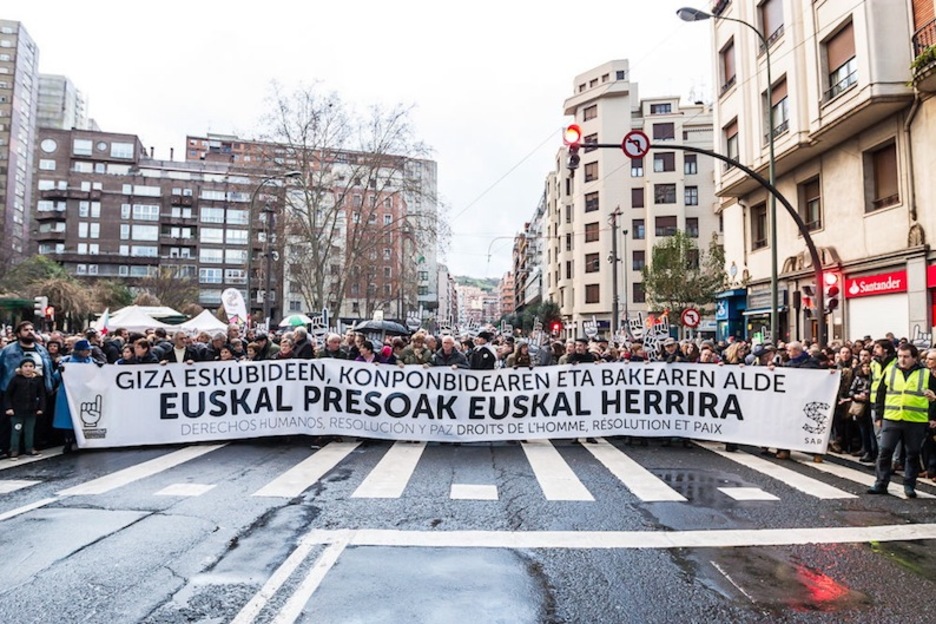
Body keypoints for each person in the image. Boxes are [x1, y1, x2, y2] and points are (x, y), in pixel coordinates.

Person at [868, 343, 936, 498]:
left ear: (914, 358)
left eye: (906, 357)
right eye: (900, 356)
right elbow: (881, 394)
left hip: (916, 420)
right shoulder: (890, 371)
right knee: (885, 451)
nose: (902, 360)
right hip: (892, 418)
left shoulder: (925, 374)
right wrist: (879, 415)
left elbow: (934, 396)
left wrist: (932, 414)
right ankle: (880, 483)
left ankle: (909, 486)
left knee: (912, 454)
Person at [0, 321, 55, 457]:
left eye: (32, 329)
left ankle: (30, 446)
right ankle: (10, 448)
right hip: (15, 391)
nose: (30, 332)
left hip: (37, 390)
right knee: (12, 422)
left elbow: (48, 369)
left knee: (34, 421)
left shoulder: (41, 349)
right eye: (26, 330)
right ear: (18, 334)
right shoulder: (8, 350)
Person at [4, 358, 46, 459]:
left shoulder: (37, 380)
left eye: (31, 366)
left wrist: (41, 408)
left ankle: (29, 448)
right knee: (16, 430)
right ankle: (14, 450)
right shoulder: (16, 379)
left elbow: (41, 395)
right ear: (21, 368)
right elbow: (8, 394)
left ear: (34, 368)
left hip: (31, 410)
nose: (28, 369)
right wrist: (9, 407)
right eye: (25, 366)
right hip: (17, 411)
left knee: (29, 430)